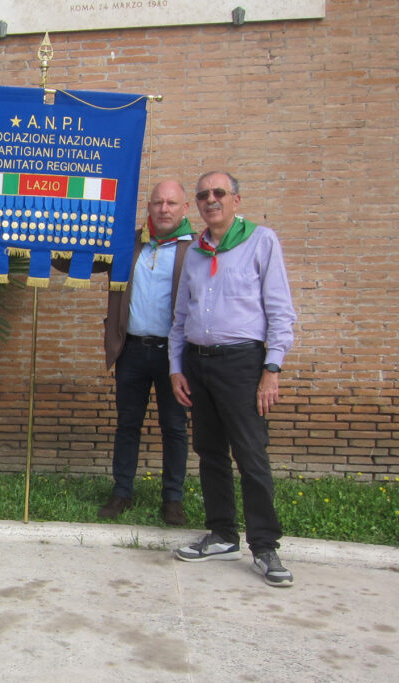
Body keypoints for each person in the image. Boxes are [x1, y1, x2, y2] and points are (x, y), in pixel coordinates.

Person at [169, 171, 297, 587]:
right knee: (209, 452)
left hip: (244, 364)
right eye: (203, 195)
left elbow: (280, 310)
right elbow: (180, 318)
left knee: (250, 454)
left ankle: (265, 546)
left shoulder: (261, 241)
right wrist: (176, 367)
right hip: (198, 364)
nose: (211, 200)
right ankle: (223, 533)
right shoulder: (196, 252)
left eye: (219, 193)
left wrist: (271, 370)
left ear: (236, 200)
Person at [96, 180, 194, 526]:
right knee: (127, 424)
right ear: (149, 208)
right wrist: (51, 242)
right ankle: (122, 492)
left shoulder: (194, 248)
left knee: (174, 427)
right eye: (157, 203)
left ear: (185, 209)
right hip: (133, 349)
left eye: (171, 203)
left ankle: (173, 499)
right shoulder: (129, 244)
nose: (164, 209)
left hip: (174, 356)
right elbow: (88, 260)